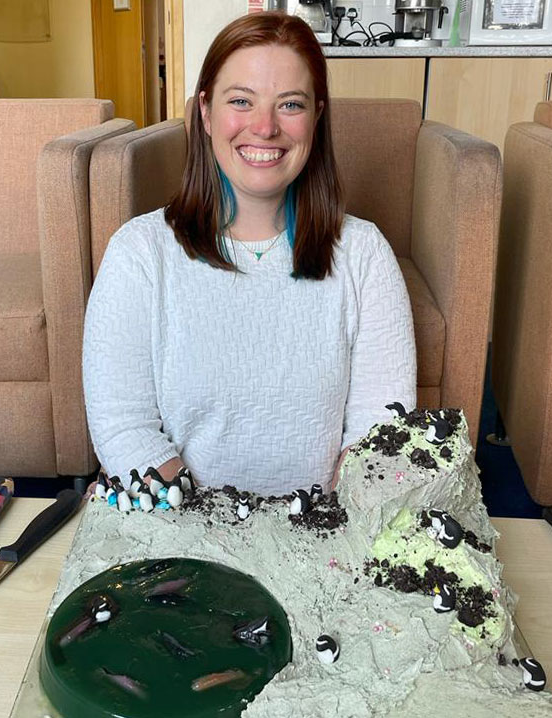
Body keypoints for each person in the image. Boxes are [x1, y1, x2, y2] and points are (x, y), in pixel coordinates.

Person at [82, 11, 416, 496]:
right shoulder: (138, 254)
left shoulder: (365, 255)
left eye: (291, 105)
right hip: (185, 541)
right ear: (205, 112)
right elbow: (124, 426)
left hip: (321, 543)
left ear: (317, 117)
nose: (264, 127)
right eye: (241, 100)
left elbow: (376, 436)